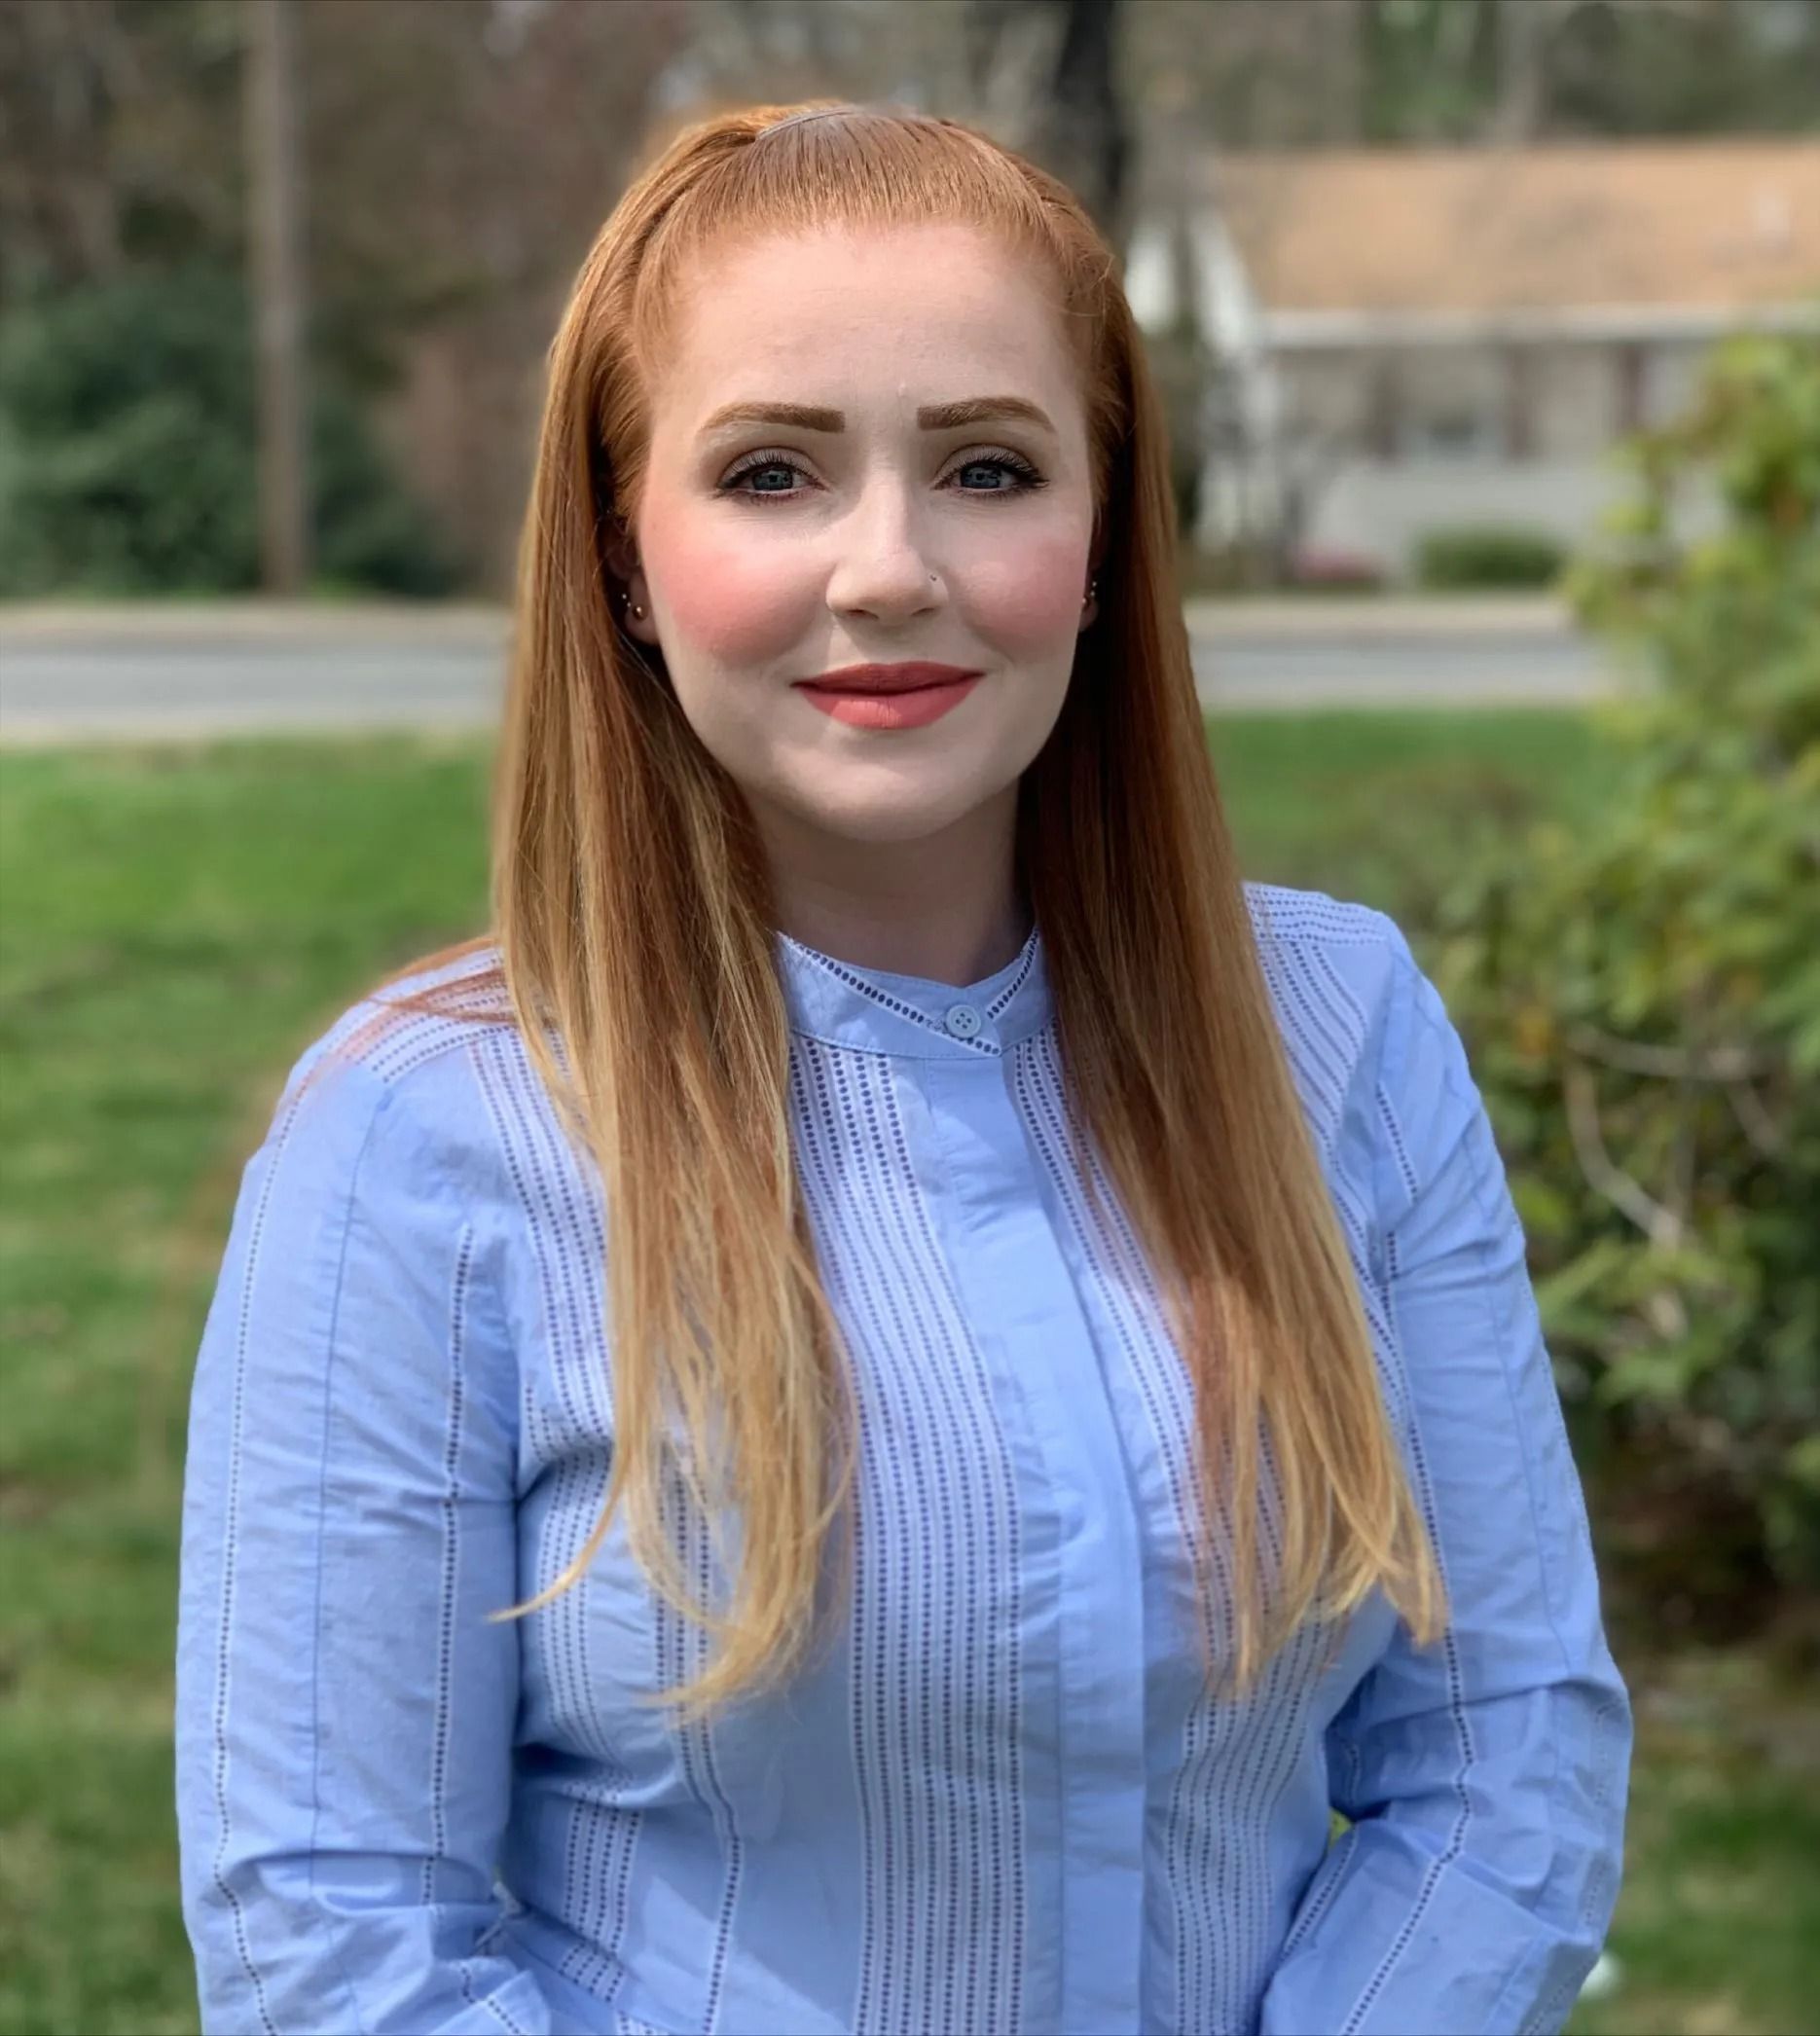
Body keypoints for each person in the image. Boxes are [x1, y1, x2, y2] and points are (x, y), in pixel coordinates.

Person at [173, 99, 1631, 2036]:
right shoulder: (418, 1139)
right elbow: (335, 1929)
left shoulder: (1339, 1031)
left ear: (1105, 538)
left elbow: (1503, 1751)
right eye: (771, 471)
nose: (886, 567)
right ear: (622, 557)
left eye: (986, 466)